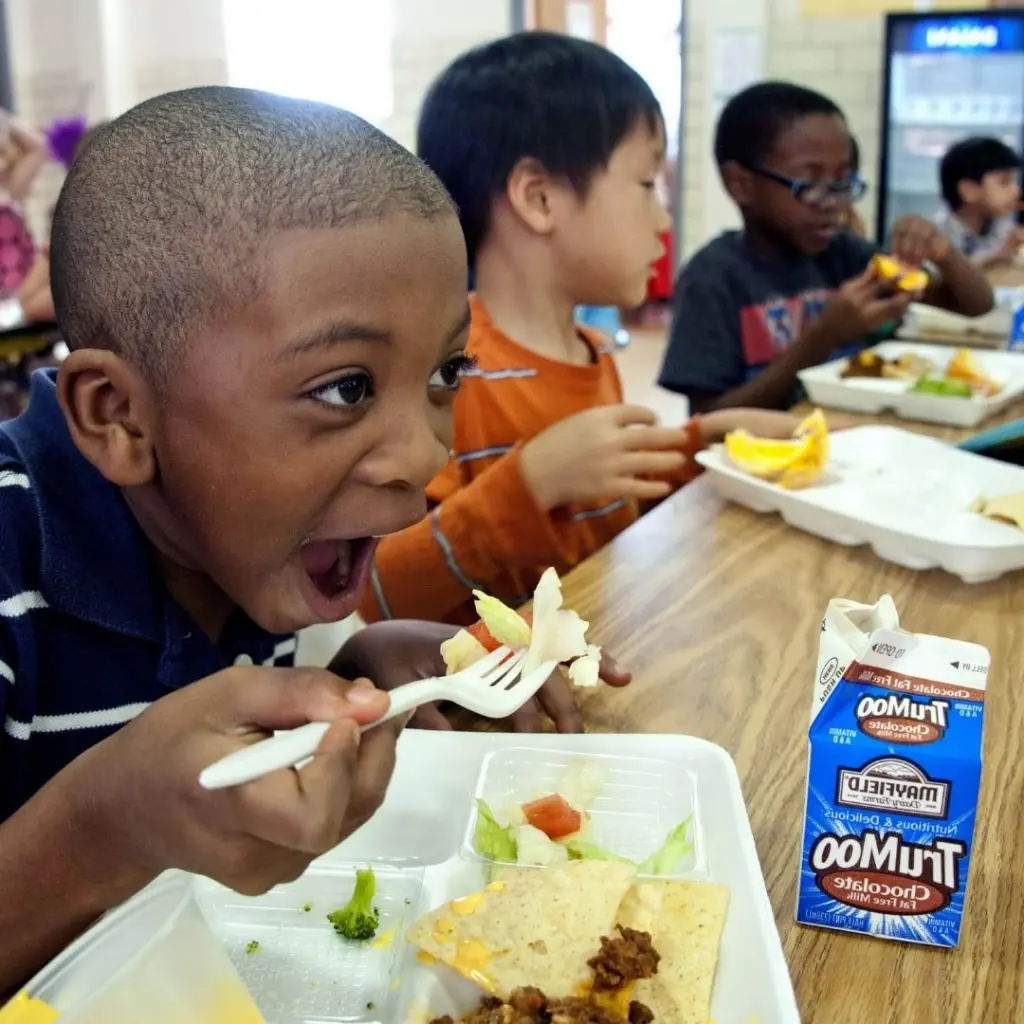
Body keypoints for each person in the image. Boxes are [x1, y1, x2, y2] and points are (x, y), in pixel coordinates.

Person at [0, 85, 583, 994]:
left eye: (443, 372)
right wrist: (102, 824)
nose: (425, 451)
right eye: (345, 387)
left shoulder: (229, 532)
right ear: (118, 416)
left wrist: (361, 668)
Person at [358, 34, 810, 644]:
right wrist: (531, 484)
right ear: (539, 197)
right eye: (649, 184)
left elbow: (598, 508)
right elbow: (377, 593)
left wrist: (704, 443)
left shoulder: (591, 349)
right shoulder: (446, 375)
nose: (664, 218)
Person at [659, 82, 994, 413]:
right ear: (742, 184)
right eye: (809, 184)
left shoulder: (844, 254)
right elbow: (708, 422)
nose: (832, 202)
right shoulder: (713, 279)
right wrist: (822, 337)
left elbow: (975, 305)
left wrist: (943, 251)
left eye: (842, 182)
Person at [935, 135, 1024, 268]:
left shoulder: (1004, 228)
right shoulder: (937, 236)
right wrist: (995, 258)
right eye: (1005, 182)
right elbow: (942, 279)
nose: (1016, 191)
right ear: (969, 191)